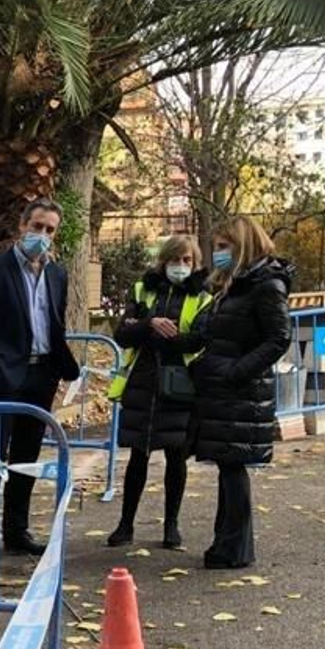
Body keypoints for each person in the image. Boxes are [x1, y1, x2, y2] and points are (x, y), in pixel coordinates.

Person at [0, 198, 81, 567]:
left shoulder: (57, 274)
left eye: (49, 230)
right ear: (22, 225)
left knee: (27, 457)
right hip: (4, 376)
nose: (42, 236)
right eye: (37, 227)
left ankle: (16, 532)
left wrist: (60, 370)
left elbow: (55, 324)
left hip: (42, 374)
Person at [190, 215, 294, 569]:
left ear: (241, 246)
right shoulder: (234, 285)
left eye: (223, 247)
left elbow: (278, 337)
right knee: (227, 466)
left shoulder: (265, 286)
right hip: (226, 386)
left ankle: (233, 547)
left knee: (233, 467)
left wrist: (236, 372)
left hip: (240, 389)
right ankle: (228, 544)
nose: (217, 254)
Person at [108, 235, 212, 549]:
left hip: (180, 383)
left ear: (194, 264)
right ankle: (125, 525)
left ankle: (172, 526)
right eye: (174, 260)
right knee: (137, 456)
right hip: (143, 382)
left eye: (187, 261)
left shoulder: (203, 297)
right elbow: (123, 333)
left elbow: (200, 338)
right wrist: (148, 324)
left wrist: (170, 336)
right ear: (163, 260)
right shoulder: (142, 290)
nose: (180, 267)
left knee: (176, 457)